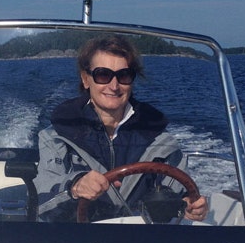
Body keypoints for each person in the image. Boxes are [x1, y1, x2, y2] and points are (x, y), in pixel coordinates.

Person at [35, 35, 208, 222]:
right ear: (86, 79)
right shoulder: (57, 136)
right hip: (78, 237)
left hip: (141, 238)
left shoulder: (159, 140)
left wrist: (189, 206)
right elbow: (42, 203)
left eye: (124, 75)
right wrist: (75, 187)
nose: (114, 86)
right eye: (103, 75)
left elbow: (180, 195)